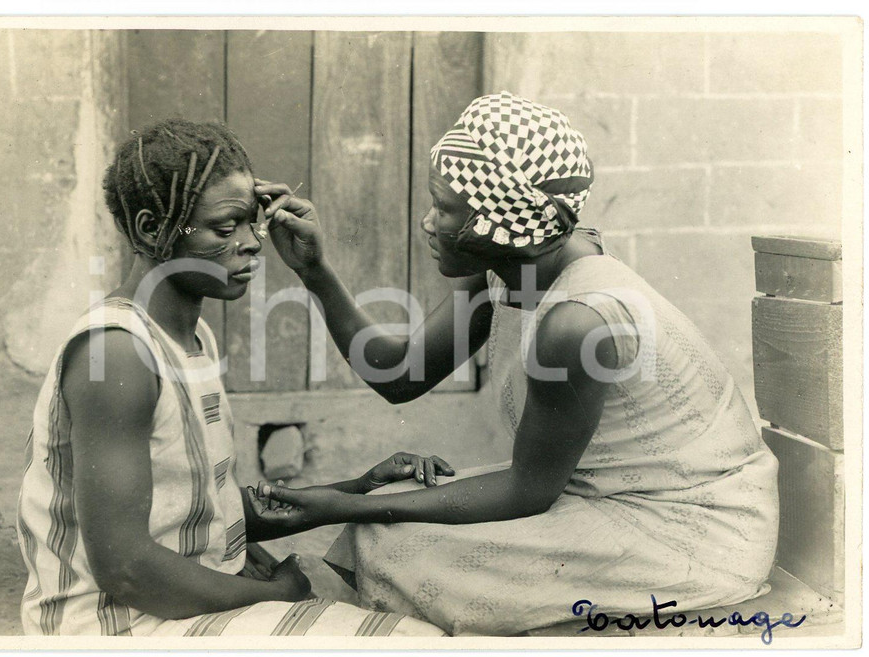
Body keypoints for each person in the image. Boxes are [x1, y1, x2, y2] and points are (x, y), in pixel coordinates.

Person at [252, 92, 779, 636]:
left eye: (444, 208)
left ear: (498, 221)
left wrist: (342, 505)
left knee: (387, 535)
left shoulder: (576, 322)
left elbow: (527, 491)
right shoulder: (517, 267)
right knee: (383, 522)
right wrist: (314, 271)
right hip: (606, 495)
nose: (428, 222)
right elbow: (398, 374)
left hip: (687, 531)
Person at [15, 119, 448, 637]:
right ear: (152, 230)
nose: (252, 244)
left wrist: (359, 489)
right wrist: (276, 595)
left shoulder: (193, 337)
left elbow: (204, 513)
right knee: (415, 639)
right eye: (225, 229)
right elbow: (125, 568)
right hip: (115, 629)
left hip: (171, 607)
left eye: (251, 223)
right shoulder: (119, 353)